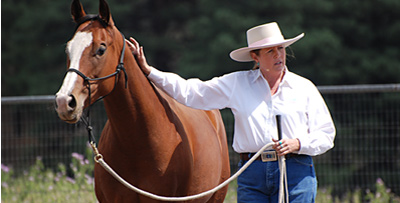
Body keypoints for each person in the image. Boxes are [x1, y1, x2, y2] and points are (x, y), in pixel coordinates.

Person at [126, 22, 335, 203]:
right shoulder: (237, 83)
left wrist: (298, 144)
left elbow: (326, 134)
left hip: (296, 170)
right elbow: (192, 91)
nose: (278, 55)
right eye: (270, 51)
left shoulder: (304, 87)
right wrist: (149, 71)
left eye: (280, 48)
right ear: (255, 56)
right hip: (252, 173)